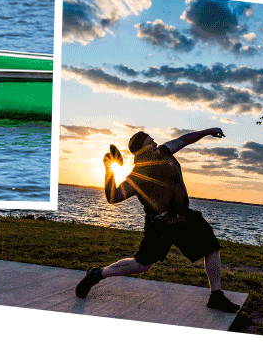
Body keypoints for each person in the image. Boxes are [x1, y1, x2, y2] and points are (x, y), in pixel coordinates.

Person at [75, 127, 242, 313]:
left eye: (153, 140)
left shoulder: (165, 151)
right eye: (150, 142)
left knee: (211, 248)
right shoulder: (138, 176)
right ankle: (97, 274)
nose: (155, 143)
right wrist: (109, 169)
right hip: (161, 226)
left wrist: (207, 131)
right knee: (141, 265)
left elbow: (185, 139)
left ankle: (216, 296)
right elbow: (113, 197)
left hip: (186, 218)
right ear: (141, 150)